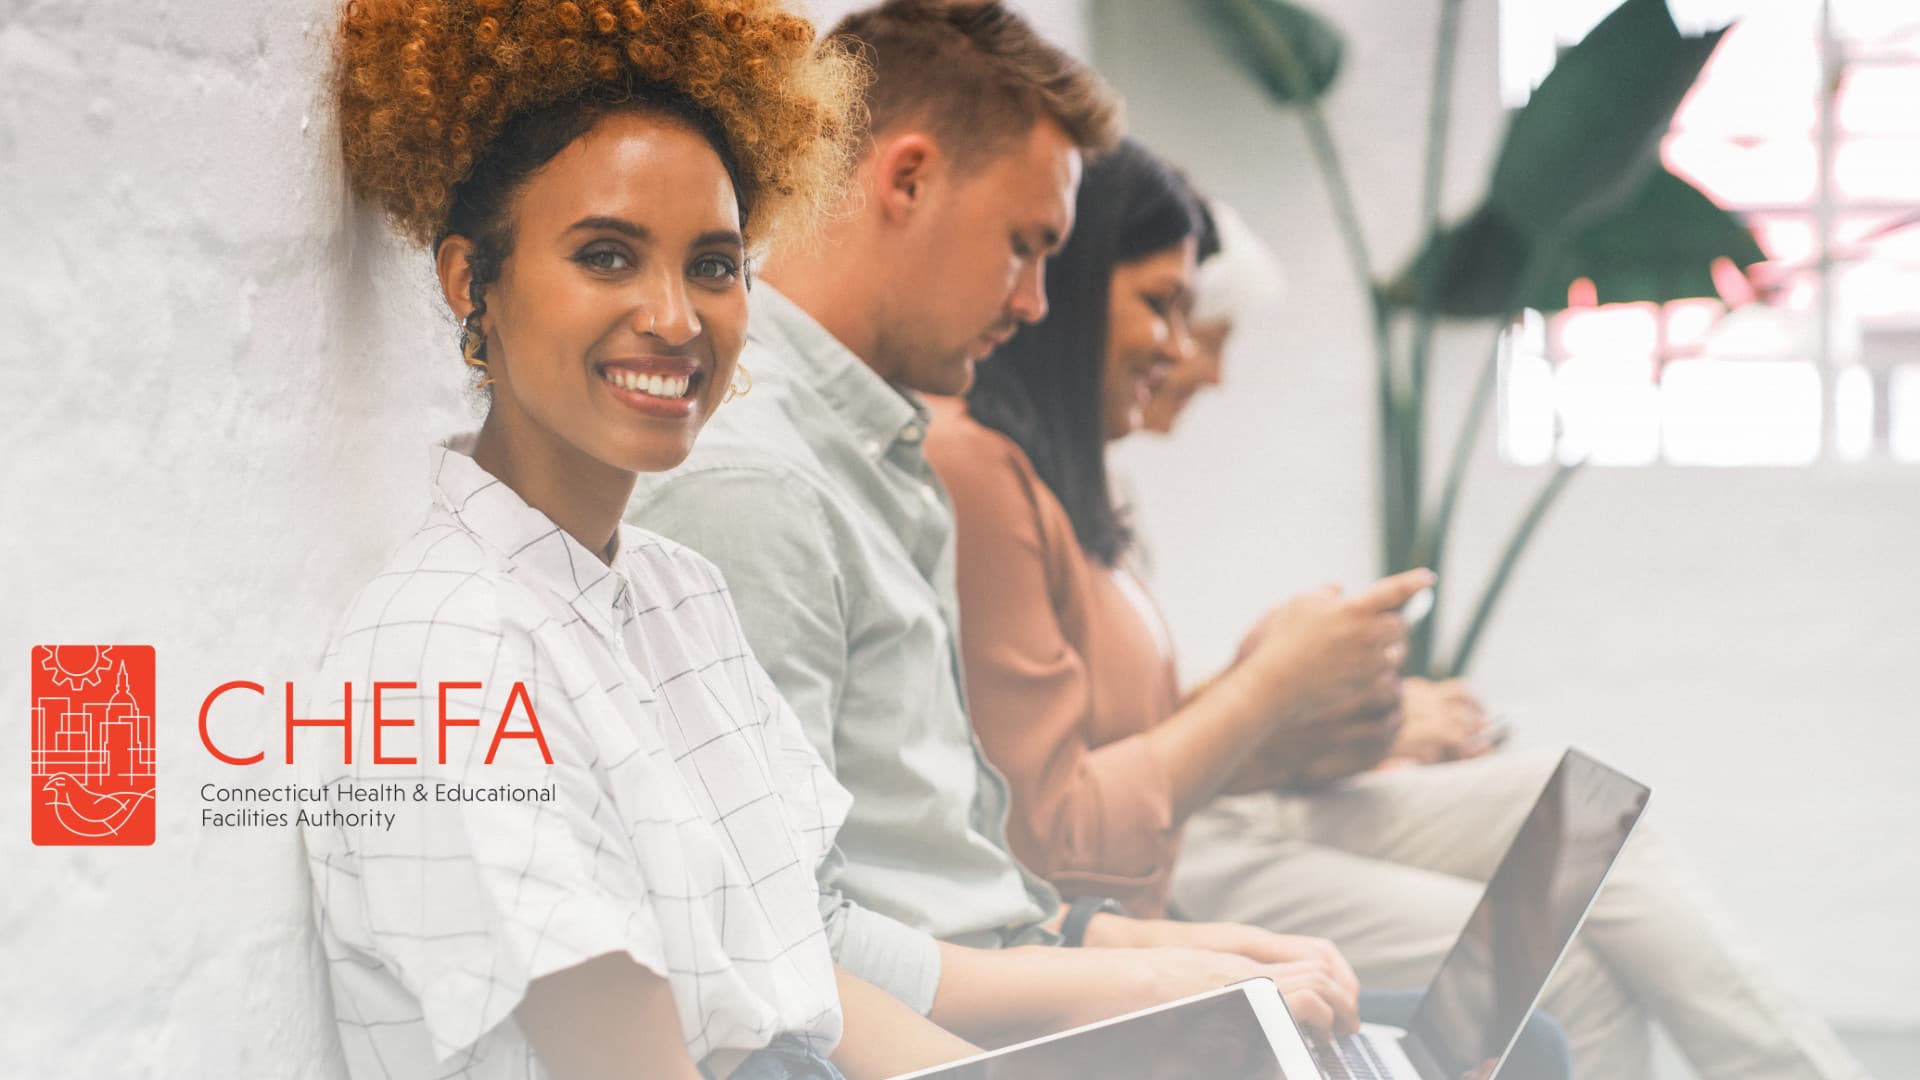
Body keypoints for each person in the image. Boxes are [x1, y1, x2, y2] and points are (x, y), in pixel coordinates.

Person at [932, 166, 1872, 1080]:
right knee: (1567, 957)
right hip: (1177, 856)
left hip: (1210, 813)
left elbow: (1119, 735)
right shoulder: (985, 475)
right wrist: (1275, 690)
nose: (1191, 356)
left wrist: (1334, 722)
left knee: (1584, 817)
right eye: (1168, 310)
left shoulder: (1086, 488)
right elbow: (1064, 818)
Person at [627, 0, 1374, 1052]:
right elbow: (783, 944)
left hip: (1016, 974)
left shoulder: (877, 451)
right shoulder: (760, 485)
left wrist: (1116, 946)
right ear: (908, 179)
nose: (1034, 303)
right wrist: (1144, 984)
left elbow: (956, 868)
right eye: (1025, 247)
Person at [301, 2, 982, 1077]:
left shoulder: (680, 596)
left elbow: (804, 984)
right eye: (608, 256)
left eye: (714, 265)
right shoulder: (447, 654)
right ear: (470, 281)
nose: (674, 315)